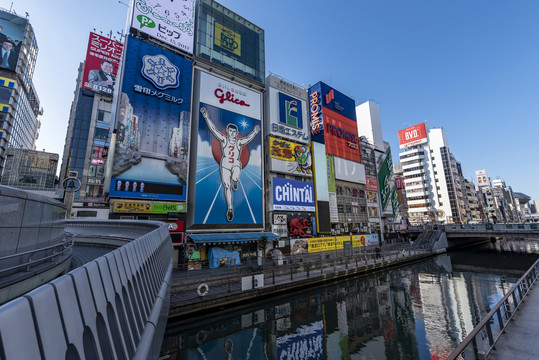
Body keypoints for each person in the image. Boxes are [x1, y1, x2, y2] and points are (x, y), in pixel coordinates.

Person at [200, 107, 260, 222]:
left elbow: (248, 139)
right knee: (227, 187)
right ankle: (230, 208)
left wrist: (255, 131)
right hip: (225, 164)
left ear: (236, 133)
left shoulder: (239, 142)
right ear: (228, 132)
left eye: (234, 132)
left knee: (236, 176)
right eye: (230, 131)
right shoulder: (224, 139)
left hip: (236, 163)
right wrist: (206, 116)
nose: (232, 133)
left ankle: (236, 181)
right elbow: (214, 130)